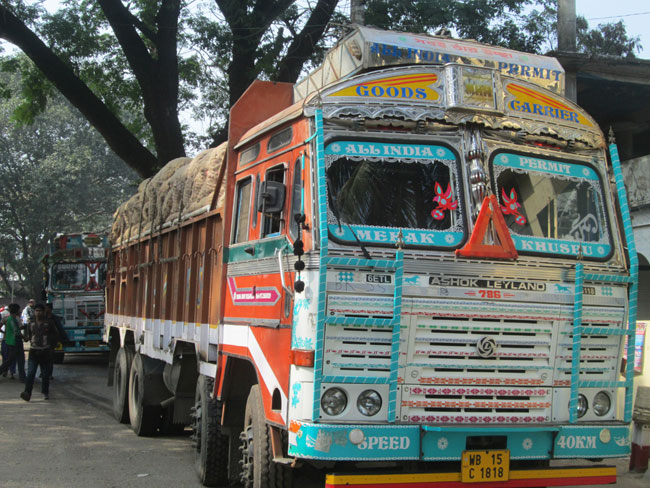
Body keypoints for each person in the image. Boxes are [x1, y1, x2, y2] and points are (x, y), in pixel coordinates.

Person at [20, 303, 59, 401]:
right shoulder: (31, 323)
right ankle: (27, 393)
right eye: (36, 311)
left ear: (44, 312)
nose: (38, 313)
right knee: (31, 374)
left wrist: (52, 347)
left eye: (40, 311)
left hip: (46, 351)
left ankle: (45, 392)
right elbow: (28, 336)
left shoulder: (49, 323)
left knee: (45, 375)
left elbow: (55, 335)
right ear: (34, 312)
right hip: (34, 351)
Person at [0, 304, 25, 381]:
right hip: (14, 341)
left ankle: (22, 376)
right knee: (14, 359)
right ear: (17, 310)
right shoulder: (12, 319)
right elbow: (16, 331)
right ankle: (22, 377)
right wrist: (24, 337)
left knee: (11, 359)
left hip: (10, 341)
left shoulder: (10, 318)